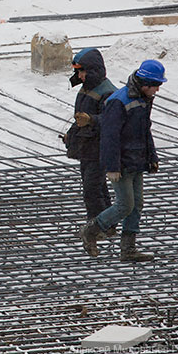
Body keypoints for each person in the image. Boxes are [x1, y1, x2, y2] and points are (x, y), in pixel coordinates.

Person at [80, 59, 166, 261]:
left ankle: (128, 250)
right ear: (145, 84)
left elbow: (145, 131)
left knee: (137, 205)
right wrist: (112, 166)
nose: (157, 90)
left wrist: (152, 157)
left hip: (137, 160)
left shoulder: (144, 99)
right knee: (125, 205)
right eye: (156, 86)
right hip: (122, 163)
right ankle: (91, 230)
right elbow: (109, 136)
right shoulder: (119, 101)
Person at [64, 48, 117, 253]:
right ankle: (108, 224)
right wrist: (72, 135)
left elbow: (112, 121)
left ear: (93, 70)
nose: (79, 76)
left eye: (82, 71)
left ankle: (97, 227)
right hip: (87, 147)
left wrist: (91, 120)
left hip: (99, 148)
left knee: (92, 189)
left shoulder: (107, 92)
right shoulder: (87, 88)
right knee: (98, 187)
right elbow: (80, 117)